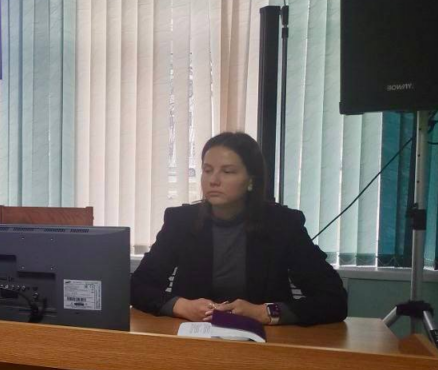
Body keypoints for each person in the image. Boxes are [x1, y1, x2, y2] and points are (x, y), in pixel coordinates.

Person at [131, 131, 347, 326]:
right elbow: (138, 286)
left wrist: (265, 312)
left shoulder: (283, 224)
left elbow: (333, 299)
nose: (213, 180)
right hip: (194, 338)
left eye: (227, 171)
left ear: (251, 180)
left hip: (264, 341)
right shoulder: (181, 221)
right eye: (207, 170)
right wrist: (181, 306)